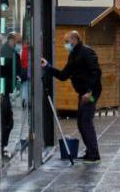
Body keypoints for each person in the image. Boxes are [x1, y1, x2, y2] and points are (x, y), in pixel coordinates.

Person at [41, 31, 102, 163]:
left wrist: (89, 91)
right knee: (81, 122)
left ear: (75, 39)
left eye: (67, 41)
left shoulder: (86, 52)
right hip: (83, 92)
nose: (65, 45)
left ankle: (94, 155)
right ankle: (90, 151)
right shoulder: (73, 55)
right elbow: (63, 75)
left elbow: (95, 72)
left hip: (91, 93)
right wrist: (48, 67)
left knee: (85, 121)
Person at [0, 33, 21, 156]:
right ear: (11, 40)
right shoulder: (6, 53)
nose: (19, 45)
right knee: (7, 121)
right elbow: (5, 72)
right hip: (4, 92)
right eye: (18, 42)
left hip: (7, 91)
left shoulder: (11, 53)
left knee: (8, 121)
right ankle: (2, 145)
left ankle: (3, 145)